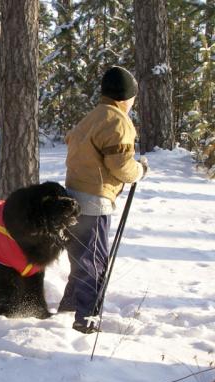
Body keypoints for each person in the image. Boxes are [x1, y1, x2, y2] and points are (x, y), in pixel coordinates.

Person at [59, 66, 149, 334]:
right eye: (133, 98)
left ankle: (70, 305)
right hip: (94, 201)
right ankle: (86, 318)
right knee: (95, 260)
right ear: (125, 98)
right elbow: (121, 166)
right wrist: (140, 170)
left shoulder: (92, 117)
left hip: (73, 196)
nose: (132, 104)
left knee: (81, 258)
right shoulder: (118, 121)